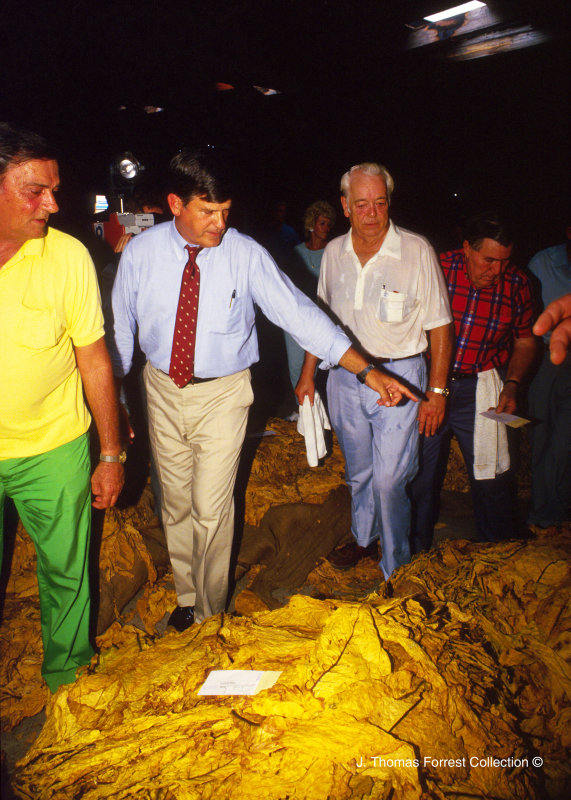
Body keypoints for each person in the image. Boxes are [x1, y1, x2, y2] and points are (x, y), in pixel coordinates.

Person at [110, 149, 418, 631]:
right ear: (175, 203)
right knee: (174, 502)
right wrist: (118, 406)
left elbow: (301, 315)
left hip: (224, 395)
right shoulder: (140, 253)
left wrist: (365, 370)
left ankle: (208, 615)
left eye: (226, 213)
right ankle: (188, 595)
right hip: (161, 390)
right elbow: (123, 331)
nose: (219, 224)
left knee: (211, 508)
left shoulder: (245, 255)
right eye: (207, 212)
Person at [0, 123, 124, 692]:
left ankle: (68, 683)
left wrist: (111, 452)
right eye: (35, 191)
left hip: (55, 447)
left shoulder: (68, 256)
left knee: (66, 575)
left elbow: (95, 361)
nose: (51, 204)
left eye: (54, 189)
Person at [296, 162, 454, 579]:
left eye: (379, 203)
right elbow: (321, 319)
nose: (371, 213)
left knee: (389, 481)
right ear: (345, 206)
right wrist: (309, 373)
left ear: (389, 203)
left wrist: (437, 392)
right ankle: (364, 540)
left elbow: (440, 326)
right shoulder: (333, 253)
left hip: (399, 380)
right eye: (361, 204)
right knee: (359, 471)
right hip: (345, 381)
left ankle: (395, 568)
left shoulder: (416, 251)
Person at [410, 211, 538, 552]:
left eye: (504, 262)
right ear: (467, 248)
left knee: (493, 473)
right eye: (489, 260)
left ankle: (494, 552)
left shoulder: (518, 284)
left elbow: (525, 341)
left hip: (482, 389)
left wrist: (512, 385)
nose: (496, 271)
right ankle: (414, 553)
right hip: (430, 386)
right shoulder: (437, 268)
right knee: (420, 474)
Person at [526, 232, 571, 530]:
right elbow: (525, 315)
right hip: (546, 359)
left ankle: (560, 510)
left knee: (565, 441)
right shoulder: (544, 262)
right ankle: (542, 514)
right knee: (540, 435)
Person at [284, 200, 336, 390]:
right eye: (322, 223)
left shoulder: (333, 251)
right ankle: (301, 412)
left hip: (321, 317)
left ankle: (313, 413)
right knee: (295, 367)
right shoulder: (296, 252)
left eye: (329, 224)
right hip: (296, 318)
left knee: (314, 369)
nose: (326, 228)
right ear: (311, 225)